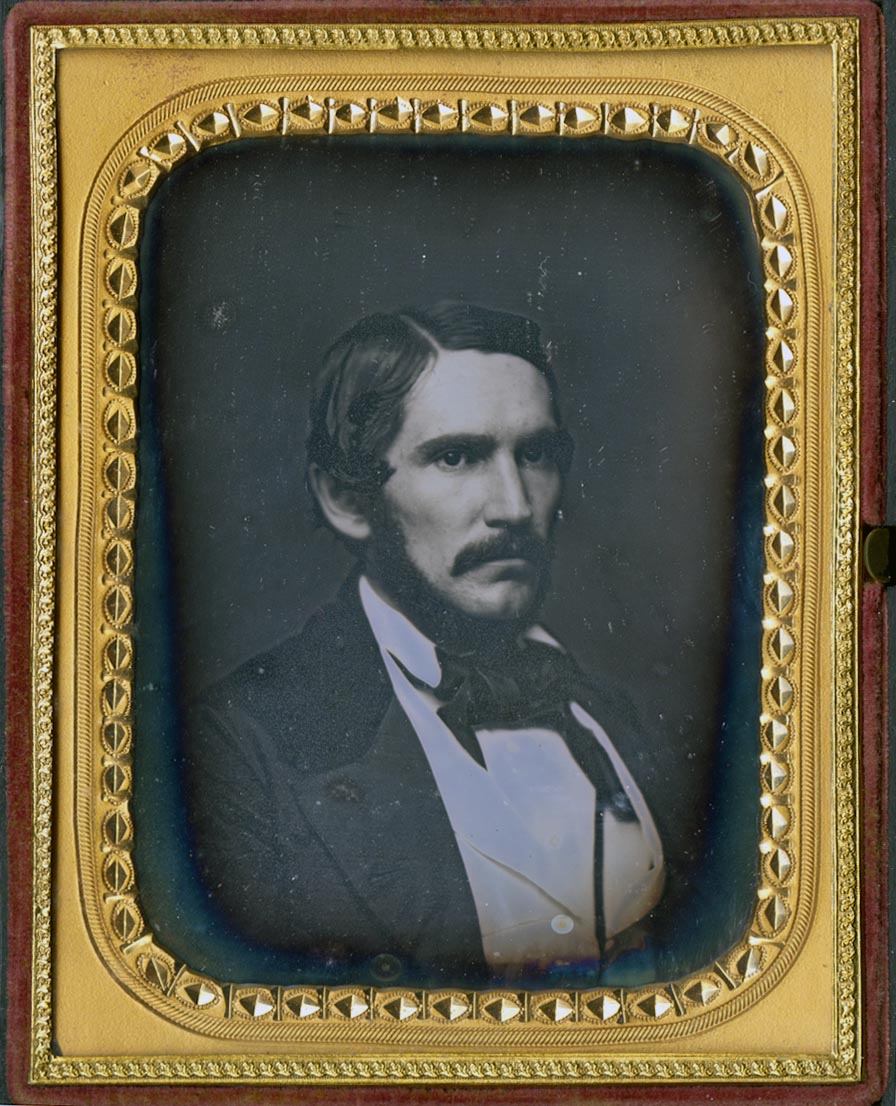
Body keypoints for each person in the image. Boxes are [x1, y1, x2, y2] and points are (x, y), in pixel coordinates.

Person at [185, 302, 663, 989]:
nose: (515, 505)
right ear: (347, 499)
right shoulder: (242, 747)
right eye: (457, 456)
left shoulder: (613, 714)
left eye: (535, 455)